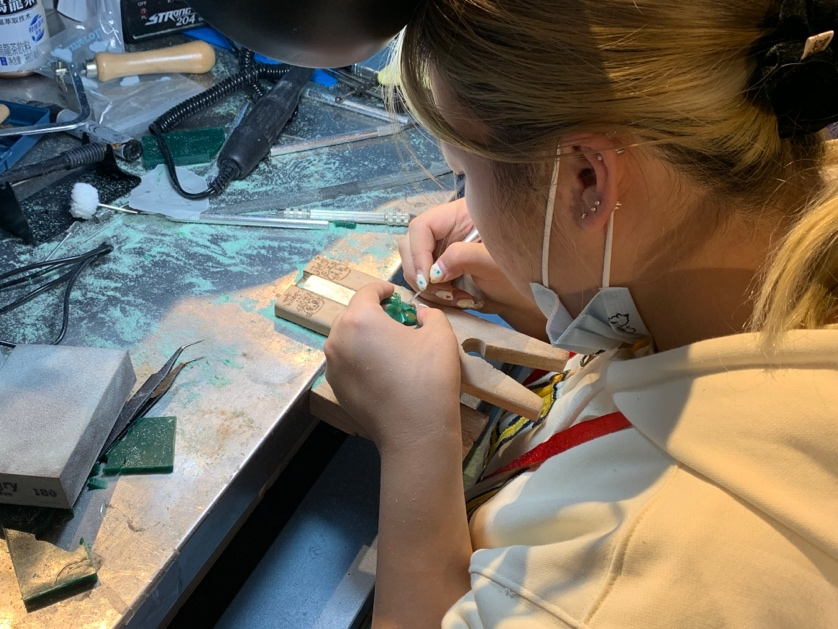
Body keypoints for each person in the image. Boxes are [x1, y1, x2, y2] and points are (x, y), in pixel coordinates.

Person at [323, 0, 838, 626]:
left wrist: (415, 442)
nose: (467, 209)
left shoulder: (624, 586)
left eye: (463, 178)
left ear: (587, 181)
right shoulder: (803, 202)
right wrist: (567, 287)